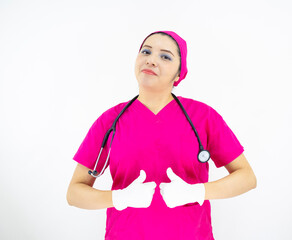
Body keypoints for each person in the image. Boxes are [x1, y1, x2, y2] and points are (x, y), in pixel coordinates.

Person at [66, 30, 257, 240]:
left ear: (179, 74)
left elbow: (247, 177)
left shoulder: (203, 117)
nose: (151, 60)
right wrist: (119, 198)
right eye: (146, 52)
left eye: (165, 56)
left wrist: (197, 192)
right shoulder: (110, 121)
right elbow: (75, 193)